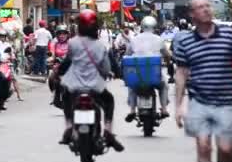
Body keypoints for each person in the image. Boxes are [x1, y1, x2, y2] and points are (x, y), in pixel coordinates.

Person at [173, 0, 232, 162]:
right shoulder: (185, 41)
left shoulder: (227, 35)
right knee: (203, 147)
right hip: (198, 102)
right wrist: (179, 105)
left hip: (225, 101)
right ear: (192, 14)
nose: (206, 9)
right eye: (200, 7)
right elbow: (181, 73)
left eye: (208, 6)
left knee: (226, 149)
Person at [58, 9, 124, 152]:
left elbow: (67, 62)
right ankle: (107, 130)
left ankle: (69, 127)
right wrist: (109, 73)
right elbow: (106, 68)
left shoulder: (73, 43)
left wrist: (59, 72)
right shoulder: (100, 45)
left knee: (66, 100)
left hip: (74, 85)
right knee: (109, 101)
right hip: (95, 86)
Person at [124, 16, 171, 122]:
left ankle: (132, 110)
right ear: (155, 27)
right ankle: (164, 109)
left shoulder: (134, 39)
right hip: (154, 76)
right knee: (164, 85)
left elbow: (127, 55)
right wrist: (168, 63)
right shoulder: (159, 39)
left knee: (132, 86)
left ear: (142, 26)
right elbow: (167, 55)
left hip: (138, 76)